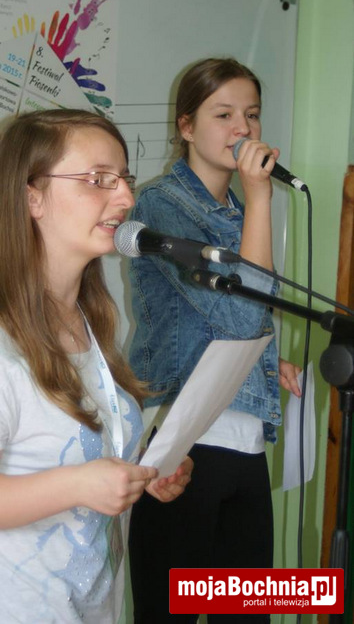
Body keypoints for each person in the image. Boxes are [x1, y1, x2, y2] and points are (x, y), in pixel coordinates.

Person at [0, 108, 193, 624]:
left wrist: (143, 470)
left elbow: (72, 449)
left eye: (124, 178)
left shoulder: (87, 323)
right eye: (98, 179)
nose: (126, 198)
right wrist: (81, 485)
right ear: (32, 197)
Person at [127, 58, 302, 623]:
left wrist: (268, 360)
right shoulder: (161, 205)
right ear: (185, 126)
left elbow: (238, 325)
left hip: (244, 443)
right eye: (223, 115)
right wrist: (262, 199)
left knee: (246, 613)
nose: (243, 129)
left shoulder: (242, 211)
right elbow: (242, 316)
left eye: (252, 115)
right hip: (186, 442)